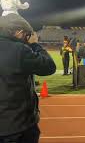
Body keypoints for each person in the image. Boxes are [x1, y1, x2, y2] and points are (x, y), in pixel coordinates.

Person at [0, 14, 56, 143]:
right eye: (27, 35)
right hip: (16, 125)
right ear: (19, 32)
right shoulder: (19, 50)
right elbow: (48, 67)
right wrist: (35, 45)